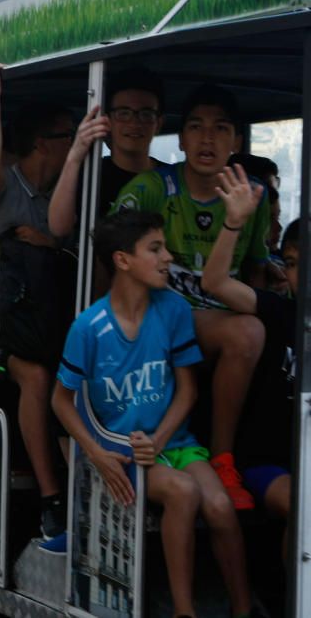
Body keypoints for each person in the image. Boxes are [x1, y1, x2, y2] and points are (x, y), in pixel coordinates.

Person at [52, 210, 252, 618]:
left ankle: (245, 609)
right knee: (183, 492)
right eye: (155, 249)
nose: (167, 259)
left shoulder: (173, 309)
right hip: (123, 453)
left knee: (220, 506)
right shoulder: (88, 327)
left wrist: (159, 440)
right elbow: (60, 401)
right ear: (123, 260)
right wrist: (97, 453)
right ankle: (184, 610)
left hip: (172, 442)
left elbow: (188, 390)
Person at [111, 83, 271, 510]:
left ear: (236, 140)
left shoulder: (254, 193)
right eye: (196, 127)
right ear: (179, 139)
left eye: (221, 129)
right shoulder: (149, 188)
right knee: (248, 333)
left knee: (256, 334)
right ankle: (219, 458)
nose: (207, 138)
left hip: (219, 320)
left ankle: (225, 460)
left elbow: (254, 271)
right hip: (157, 319)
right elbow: (112, 263)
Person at [0, 62, 75, 537]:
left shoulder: (66, 189)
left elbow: (69, 239)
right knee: (37, 376)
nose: (79, 144)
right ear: (43, 144)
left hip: (47, 322)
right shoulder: (4, 184)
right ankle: (54, 497)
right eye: (70, 136)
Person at [202, 165, 298, 557]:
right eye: (291, 263)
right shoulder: (278, 311)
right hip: (268, 465)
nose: (299, 273)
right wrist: (234, 223)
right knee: (305, 510)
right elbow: (215, 283)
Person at [48, 69, 166, 238]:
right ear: (106, 120)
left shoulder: (170, 179)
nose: (134, 122)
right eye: (123, 113)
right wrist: (74, 157)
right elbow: (59, 228)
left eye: (146, 114)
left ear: (159, 123)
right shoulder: (90, 174)